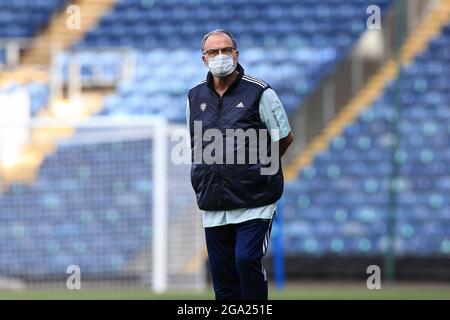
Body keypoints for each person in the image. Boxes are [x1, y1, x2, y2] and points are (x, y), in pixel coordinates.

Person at [186, 29, 294, 300]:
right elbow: (196, 144)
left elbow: (284, 136)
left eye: (225, 50)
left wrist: (259, 169)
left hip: (254, 201)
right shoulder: (194, 96)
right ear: (204, 59)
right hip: (214, 203)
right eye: (213, 52)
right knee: (222, 279)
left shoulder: (260, 91)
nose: (220, 56)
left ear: (236, 54)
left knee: (246, 261)